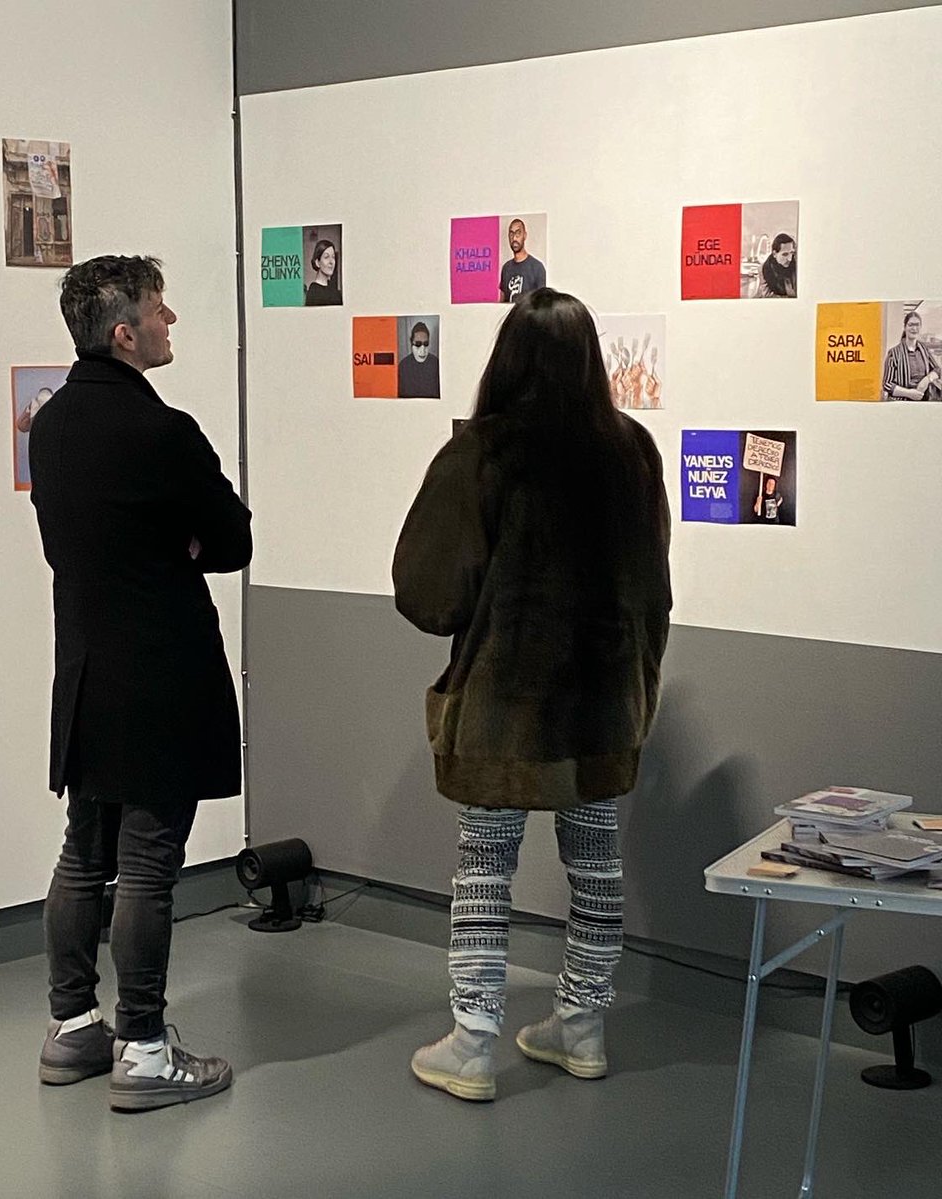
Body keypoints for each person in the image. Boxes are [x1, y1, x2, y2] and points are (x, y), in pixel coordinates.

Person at [393, 288, 671, 1102]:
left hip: (505, 704)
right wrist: (637, 690)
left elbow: (427, 591)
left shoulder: (480, 454)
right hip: (602, 704)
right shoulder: (634, 452)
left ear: (507, 358)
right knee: (597, 862)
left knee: (484, 863)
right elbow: (655, 591)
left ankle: (474, 1041)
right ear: (590, 362)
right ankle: (581, 1027)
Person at [29, 254, 251, 1113]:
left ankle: (73, 1025)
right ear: (125, 333)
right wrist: (183, 545)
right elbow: (230, 538)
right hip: (161, 673)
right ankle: (147, 1049)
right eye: (160, 310)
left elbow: (74, 543)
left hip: (85, 671)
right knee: (149, 864)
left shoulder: (49, 428)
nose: (171, 322)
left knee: (84, 854)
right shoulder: (164, 432)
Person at [882, 310, 942, 402]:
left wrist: (927, 379)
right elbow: (887, 384)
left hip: (923, 402)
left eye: (917, 325)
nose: (914, 328)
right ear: (905, 327)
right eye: (911, 325)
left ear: (920, 327)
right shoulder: (893, 353)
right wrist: (909, 393)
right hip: (901, 403)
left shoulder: (924, 350)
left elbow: (937, 369)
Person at [498, 218, 547, 303]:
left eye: (518, 233)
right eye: (511, 234)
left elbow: (541, 303)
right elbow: (503, 298)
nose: (514, 238)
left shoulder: (537, 267)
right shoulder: (506, 267)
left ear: (524, 235)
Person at [398, 321, 441, 398]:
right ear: (411, 343)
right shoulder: (403, 366)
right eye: (418, 344)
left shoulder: (436, 364)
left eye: (426, 344)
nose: (422, 350)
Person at [303, 238, 341, 306]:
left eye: (333, 257)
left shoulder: (334, 291)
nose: (331, 262)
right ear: (317, 262)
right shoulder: (314, 293)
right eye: (326, 257)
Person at [757, 233, 796, 298]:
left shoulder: (796, 266)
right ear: (775, 254)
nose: (789, 259)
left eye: (791, 253)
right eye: (785, 254)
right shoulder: (764, 269)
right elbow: (767, 296)